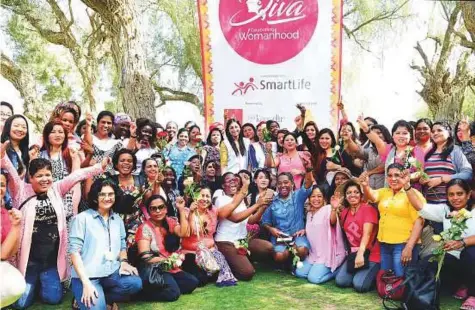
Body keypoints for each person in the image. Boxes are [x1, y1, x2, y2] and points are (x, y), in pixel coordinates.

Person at [0, 141, 108, 309]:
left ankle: (40, 284)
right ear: (31, 177)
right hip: (29, 261)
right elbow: (13, 174)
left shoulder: (57, 189)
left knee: (53, 298)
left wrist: (99, 168)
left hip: (49, 261)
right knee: (20, 304)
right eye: (40, 176)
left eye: (47, 175)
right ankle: (30, 283)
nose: (45, 179)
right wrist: (3, 157)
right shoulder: (21, 190)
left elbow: (76, 176)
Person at [69, 178, 142, 310]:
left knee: (135, 283)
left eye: (110, 194)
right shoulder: (82, 219)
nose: (107, 198)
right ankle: (83, 297)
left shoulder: (117, 220)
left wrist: (124, 262)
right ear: (95, 197)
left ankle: (105, 298)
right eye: (102, 194)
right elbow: (74, 252)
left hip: (110, 274)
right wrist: (86, 284)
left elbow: (122, 245)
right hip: (87, 276)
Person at [406, 179, 475, 309]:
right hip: (453, 259)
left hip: (471, 257)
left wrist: (463, 242)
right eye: (451, 194)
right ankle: (423, 299)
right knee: (429, 262)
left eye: (459, 194)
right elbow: (420, 207)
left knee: (470, 253)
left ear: (468, 194)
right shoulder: (445, 209)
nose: (455, 198)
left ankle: (473, 294)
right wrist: (407, 187)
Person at [361, 163, 424, 277]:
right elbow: (372, 197)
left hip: (403, 244)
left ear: (404, 177)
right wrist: (365, 186)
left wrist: (409, 247)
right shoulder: (385, 192)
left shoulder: (413, 194)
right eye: (389, 175)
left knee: (400, 277)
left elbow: (419, 222)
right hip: (384, 242)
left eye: (397, 175)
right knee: (387, 277)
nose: (393, 179)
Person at [136, 195, 199, 301]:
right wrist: (167, 261)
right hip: (156, 269)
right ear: (149, 211)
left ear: (166, 209)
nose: (158, 211)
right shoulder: (144, 228)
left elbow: (183, 233)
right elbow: (145, 257)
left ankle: (168, 285)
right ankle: (142, 295)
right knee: (173, 294)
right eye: (153, 208)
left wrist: (181, 209)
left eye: (161, 207)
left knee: (192, 283)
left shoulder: (169, 221)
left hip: (171, 268)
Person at [215, 172, 273, 280]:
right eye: (229, 180)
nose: (233, 182)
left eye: (235, 180)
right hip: (226, 242)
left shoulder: (240, 200)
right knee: (247, 273)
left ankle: (241, 259)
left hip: (242, 241)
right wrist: (257, 204)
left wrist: (263, 207)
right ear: (223, 185)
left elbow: (251, 220)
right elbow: (236, 218)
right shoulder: (221, 199)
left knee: (268, 248)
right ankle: (229, 263)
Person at [262, 157, 314, 267]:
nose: (283, 186)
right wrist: (271, 229)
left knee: (302, 250)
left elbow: (308, 184)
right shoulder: (272, 201)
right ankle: (288, 261)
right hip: (280, 238)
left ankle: (295, 259)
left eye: (286, 182)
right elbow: (265, 222)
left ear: (291, 184)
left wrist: (308, 169)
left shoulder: (298, 196)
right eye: (280, 183)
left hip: (297, 235)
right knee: (279, 256)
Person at [181, 187, 238, 287]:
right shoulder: (186, 211)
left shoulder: (213, 211)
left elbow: (232, 205)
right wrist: (191, 213)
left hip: (210, 251)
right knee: (201, 280)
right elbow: (186, 233)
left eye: (208, 196)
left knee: (221, 274)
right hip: (192, 253)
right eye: (202, 195)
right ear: (195, 197)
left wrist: (243, 191)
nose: (205, 199)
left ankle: (210, 273)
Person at [333, 181, 381, 293]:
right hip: (354, 254)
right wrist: (334, 208)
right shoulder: (344, 212)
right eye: (349, 192)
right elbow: (337, 227)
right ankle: (360, 274)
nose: (352, 195)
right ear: (345, 196)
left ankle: (371, 275)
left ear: (361, 194)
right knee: (341, 281)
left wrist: (360, 254)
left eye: (356, 192)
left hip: (370, 253)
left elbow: (367, 234)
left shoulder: (368, 209)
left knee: (359, 286)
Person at [295, 185, 346, 284]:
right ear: (309, 199)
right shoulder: (309, 213)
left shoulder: (328, 209)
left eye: (319, 196)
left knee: (313, 279)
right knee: (299, 272)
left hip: (327, 255)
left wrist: (334, 209)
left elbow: (332, 221)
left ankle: (337, 271)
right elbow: (316, 227)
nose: (316, 199)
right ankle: (316, 269)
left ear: (324, 198)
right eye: (313, 196)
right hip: (314, 254)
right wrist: (304, 231)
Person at [422, 121, 472, 204]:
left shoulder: (456, 151)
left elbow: (467, 174)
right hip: (429, 204)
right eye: (433, 131)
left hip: (451, 204)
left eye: (439, 130)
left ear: (449, 133)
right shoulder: (428, 153)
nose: (435, 133)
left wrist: (442, 179)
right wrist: (422, 179)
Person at [0, 171, 26, 308]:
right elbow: (2, 255)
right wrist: (16, 226)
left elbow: (11, 251)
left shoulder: (5, 213)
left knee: (17, 286)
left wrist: (16, 225)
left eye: (2, 185)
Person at [345, 124, 392, 190]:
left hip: (385, 190)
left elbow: (386, 165)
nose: (375, 136)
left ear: (385, 134)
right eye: (373, 133)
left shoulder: (392, 148)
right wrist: (348, 139)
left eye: (379, 133)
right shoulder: (370, 150)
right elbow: (357, 150)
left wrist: (368, 173)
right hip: (370, 191)